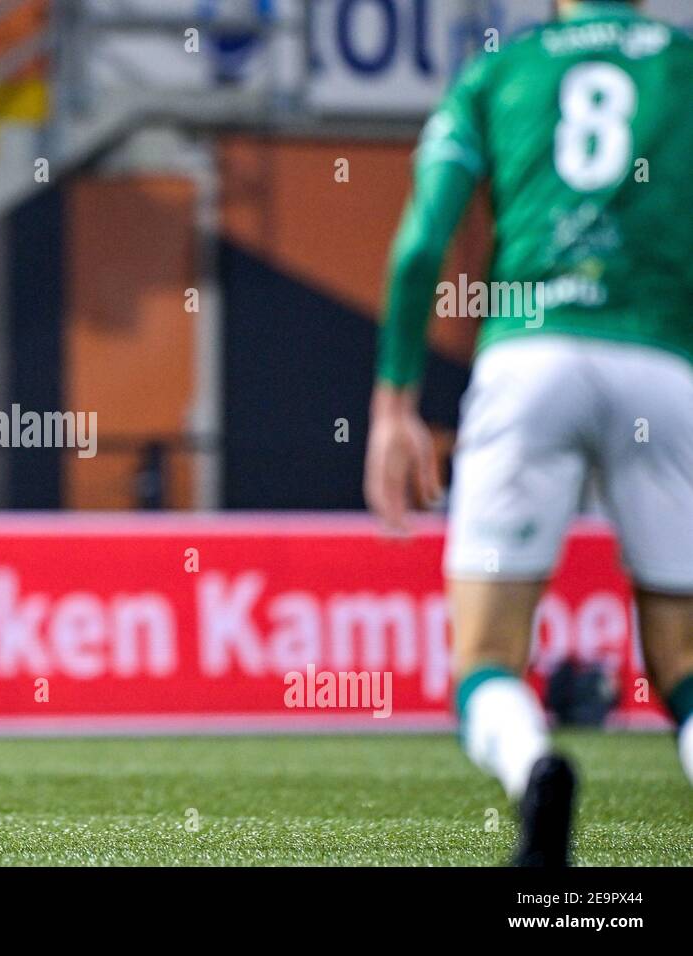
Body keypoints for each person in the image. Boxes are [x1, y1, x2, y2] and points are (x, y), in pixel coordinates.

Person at [365, 0, 693, 865]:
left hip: (529, 359)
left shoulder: (499, 71)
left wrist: (396, 404)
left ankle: (536, 767)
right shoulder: (682, 61)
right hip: (662, 362)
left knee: (484, 658)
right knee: (684, 664)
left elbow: (416, 250)